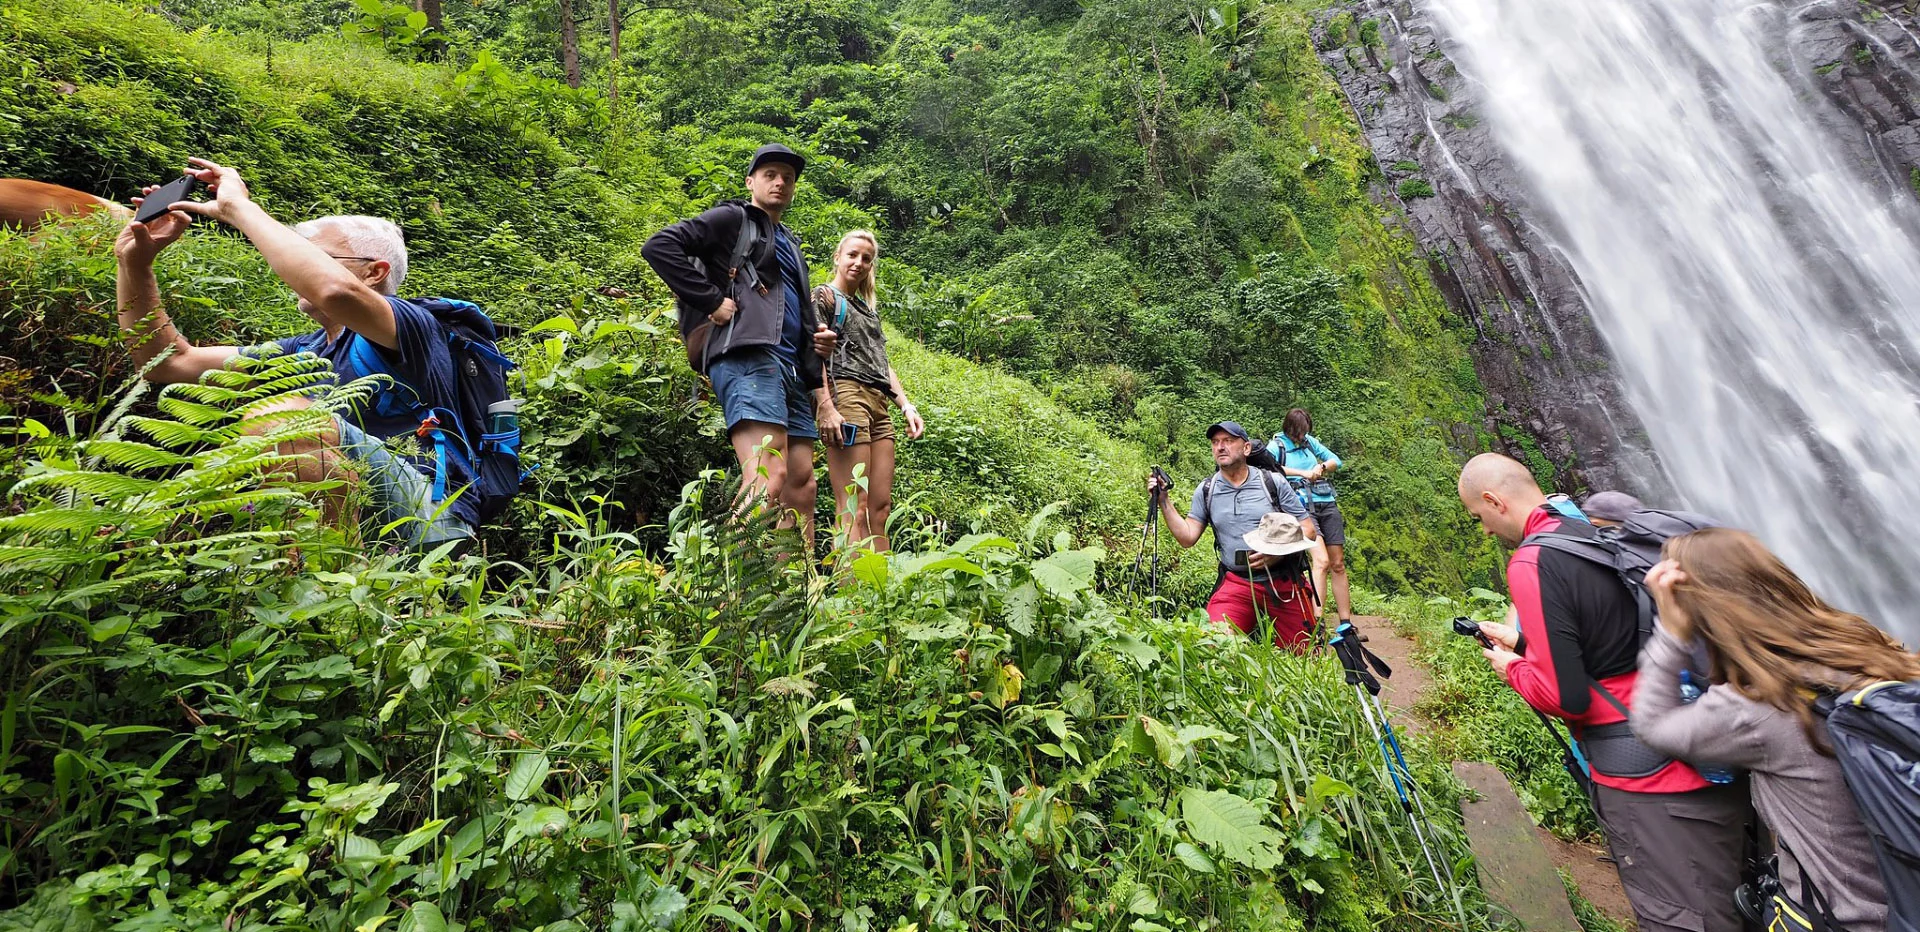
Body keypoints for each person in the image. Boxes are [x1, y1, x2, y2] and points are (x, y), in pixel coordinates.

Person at [1457, 453, 1752, 932]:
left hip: (1649, 779)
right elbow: (1613, 641)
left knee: (1680, 917)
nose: (1485, 530)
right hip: (1710, 746)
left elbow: (1563, 696)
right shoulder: (1591, 531)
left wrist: (1513, 667)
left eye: (1479, 517)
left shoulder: (1533, 560)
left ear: (1493, 500)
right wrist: (1527, 643)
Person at [114, 157, 475, 549]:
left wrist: (238, 208)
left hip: (431, 515)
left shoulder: (414, 325)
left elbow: (335, 291)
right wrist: (134, 264)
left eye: (315, 257)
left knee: (283, 420)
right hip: (357, 514)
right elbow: (167, 363)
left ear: (374, 272)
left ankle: (327, 592)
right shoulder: (303, 350)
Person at [1633, 528, 1910, 932]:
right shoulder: (1866, 646)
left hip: (1845, 917)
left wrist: (1672, 633)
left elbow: (1653, 724)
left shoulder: (1755, 707)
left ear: (1702, 614)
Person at [642, 143, 840, 539]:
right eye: (770, 175)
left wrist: (820, 381)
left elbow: (799, 315)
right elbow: (659, 246)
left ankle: (793, 592)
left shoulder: (791, 243)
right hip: (749, 357)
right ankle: (727, 589)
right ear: (751, 182)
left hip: (791, 371)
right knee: (767, 475)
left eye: (788, 177)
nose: (780, 182)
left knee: (801, 486)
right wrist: (712, 299)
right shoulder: (734, 219)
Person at [1149, 422, 1320, 648]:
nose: (1220, 447)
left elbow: (1309, 530)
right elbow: (1187, 537)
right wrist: (1164, 501)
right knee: (1213, 646)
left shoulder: (1271, 482)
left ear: (1246, 448)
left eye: (1228, 441)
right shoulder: (1207, 490)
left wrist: (1276, 554)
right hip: (1237, 582)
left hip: (1282, 580)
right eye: (1215, 442)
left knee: (1303, 654)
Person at [812, 230, 925, 553]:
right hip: (846, 395)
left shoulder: (867, 311)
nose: (858, 263)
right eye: (852, 255)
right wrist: (826, 406)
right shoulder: (824, 297)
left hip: (878, 403)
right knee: (853, 505)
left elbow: (882, 364)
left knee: (880, 508)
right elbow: (812, 353)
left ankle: (881, 596)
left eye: (866, 258)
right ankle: (852, 599)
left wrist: (906, 406)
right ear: (837, 257)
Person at [1268, 409, 1351, 626]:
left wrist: (1321, 466)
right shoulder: (1277, 445)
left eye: (1305, 432)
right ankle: (1317, 622)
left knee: (1338, 563)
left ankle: (1346, 624)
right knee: (1321, 561)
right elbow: (1269, 469)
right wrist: (1303, 473)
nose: (1301, 437)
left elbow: (1336, 461)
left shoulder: (1309, 443)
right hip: (1302, 509)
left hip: (1326, 502)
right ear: (1289, 429)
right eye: (1298, 433)